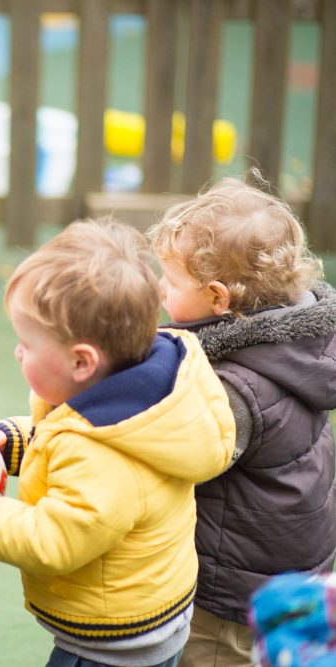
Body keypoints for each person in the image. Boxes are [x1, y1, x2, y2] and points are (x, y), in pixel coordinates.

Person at [0, 218, 236, 667]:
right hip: (138, 610)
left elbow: (54, 540)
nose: (17, 352)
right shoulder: (128, 396)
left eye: (27, 343)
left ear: (82, 361)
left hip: (115, 644)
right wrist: (4, 444)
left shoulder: (105, 451)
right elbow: (61, 441)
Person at [145, 175, 336, 667]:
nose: (160, 288)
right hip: (285, 563)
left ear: (217, 298)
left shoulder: (236, 388)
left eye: (170, 280)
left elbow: (186, 456)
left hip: (230, 586)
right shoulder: (296, 342)